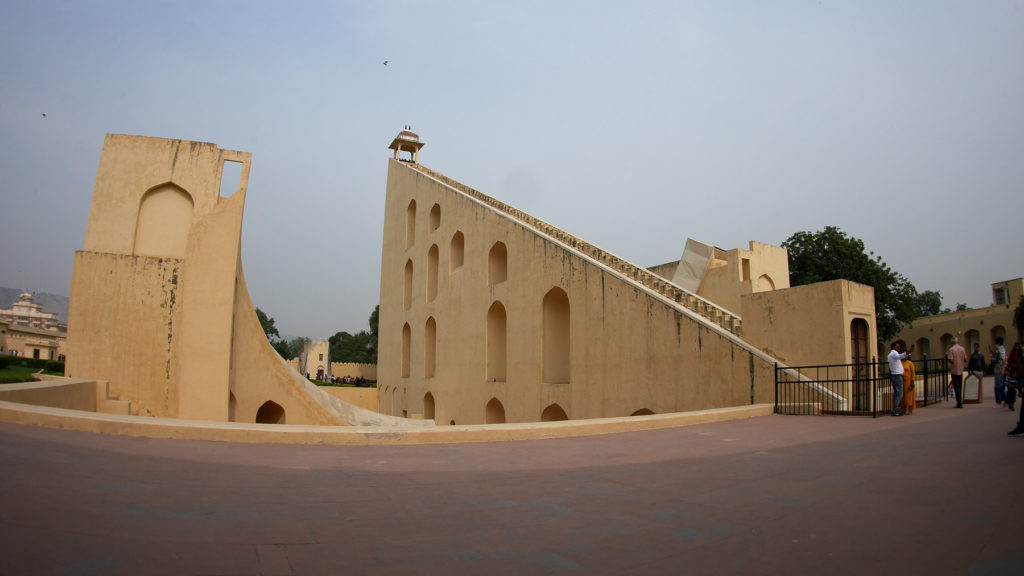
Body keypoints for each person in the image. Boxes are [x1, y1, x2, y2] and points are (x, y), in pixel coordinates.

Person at [887, 342, 913, 416]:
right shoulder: (893, 354)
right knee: (899, 394)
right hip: (897, 376)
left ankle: (895, 409)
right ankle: (895, 410)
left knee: (897, 394)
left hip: (896, 375)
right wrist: (908, 351)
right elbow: (900, 356)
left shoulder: (893, 354)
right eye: (897, 346)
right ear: (893, 347)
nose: (899, 347)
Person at [948, 337, 967, 408]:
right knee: (960, 385)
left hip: (954, 370)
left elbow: (951, 359)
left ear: (952, 342)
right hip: (961, 369)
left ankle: (959, 402)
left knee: (956, 387)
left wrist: (951, 361)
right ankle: (960, 401)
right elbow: (965, 359)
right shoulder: (962, 349)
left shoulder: (951, 349)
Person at [1005, 342, 1023, 412]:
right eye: (1017, 346)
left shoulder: (1020, 354)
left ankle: (1011, 402)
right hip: (1012, 373)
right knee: (1011, 389)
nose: (1018, 348)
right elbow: (1009, 362)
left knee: (1014, 389)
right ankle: (1010, 402)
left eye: (1019, 346)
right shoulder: (1013, 354)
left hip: (1018, 373)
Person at [991, 337, 1007, 406]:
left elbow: (994, 359)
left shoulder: (998, 350)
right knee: (1001, 385)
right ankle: (1006, 399)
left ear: (998, 343)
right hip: (1002, 368)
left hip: (998, 368)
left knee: (997, 386)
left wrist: (992, 356)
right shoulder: (1003, 349)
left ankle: (998, 401)